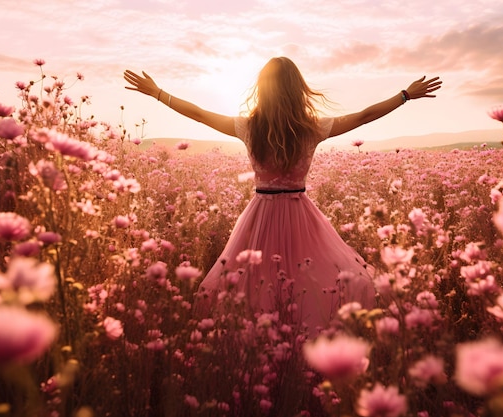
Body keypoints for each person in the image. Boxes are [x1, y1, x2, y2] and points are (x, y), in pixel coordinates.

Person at [124, 57, 441, 331]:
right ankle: (302, 337)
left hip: (260, 215)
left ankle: (262, 341)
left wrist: (158, 94)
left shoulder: (249, 127)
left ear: (263, 89)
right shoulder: (310, 128)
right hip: (300, 214)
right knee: (308, 280)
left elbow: (199, 114)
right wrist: (404, 95)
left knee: (257, 284)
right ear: (298, 90)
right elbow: (363, 116)